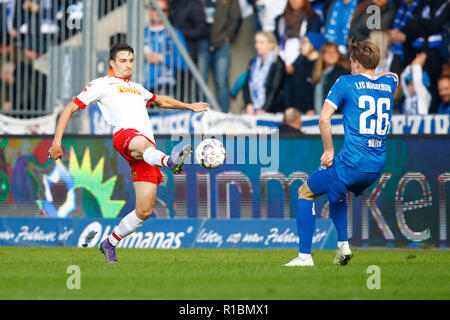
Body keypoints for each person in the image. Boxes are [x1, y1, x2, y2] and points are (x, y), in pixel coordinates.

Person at [47, 43, 208, 262]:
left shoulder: (137, 88)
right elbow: (69, 108)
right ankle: (170, 161)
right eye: (123, 61)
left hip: (145, 149)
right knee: (145, 145)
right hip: (125, 136)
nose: (128, 65)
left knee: (144, 211)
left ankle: (109, 243)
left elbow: (160, 100)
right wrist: (57, 142)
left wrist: (189, 106)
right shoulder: (102, 84)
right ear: (112, 63)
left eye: (131, 60)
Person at [284, 41, 399, 267]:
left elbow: (323, 119)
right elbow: (393, 74)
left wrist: (328, 150)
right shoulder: (389, 82)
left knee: (305, 192)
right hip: (376, 164)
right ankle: (343, 246)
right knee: (337, 192)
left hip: (352, 161)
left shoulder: (345, 82)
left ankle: (305, 257)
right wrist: (373, 70)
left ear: (355, 62)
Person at [274, 0, 321, 108]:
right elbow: (278, 40)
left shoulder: (312, 18)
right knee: (285, 96)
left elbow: (311, 41)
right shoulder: (281, 19)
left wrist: (295, 63)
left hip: (303, 62)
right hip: (284, 61)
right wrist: (284, 62)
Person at [198, 0, 241, 113]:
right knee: (201, 79)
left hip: (222, 42)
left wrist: (228, 36)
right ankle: (202, 112)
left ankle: (223, 113)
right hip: (202, 40)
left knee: (221, 81)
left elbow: (236, 17)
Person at [143, 0, 188, 96]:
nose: (159, 13)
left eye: (163, 10)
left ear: (167, 13)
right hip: (141, 87)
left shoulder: (174, 34)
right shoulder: (140, 33)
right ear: (149, 11)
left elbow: (185, 63)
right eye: (155, 9)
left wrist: (161, 58)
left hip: (165, 88)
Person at [243, 31, 285, 115]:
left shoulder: (277, 63)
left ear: (271, 44)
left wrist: (265, 108)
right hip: (253, 110)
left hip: (272, 111)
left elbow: (274, 88)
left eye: (261, 42)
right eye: (256, 42)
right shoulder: (253, 63)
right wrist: (249, 103)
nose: (257, 45)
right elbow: (246, 85)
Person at [291, 31, 325, 115]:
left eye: (304, 42)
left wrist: (311, 108)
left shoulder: (323, 66)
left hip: (315, 113)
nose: (301, 46)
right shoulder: (300, 65)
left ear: (314, 43)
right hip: (299, 112)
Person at [312, 41, 350, 114]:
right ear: (322, 55)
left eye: (334, 52)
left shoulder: (343, 72)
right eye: (328, 52)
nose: (331, 55)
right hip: (317, 116)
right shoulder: (317, 72)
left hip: (335, 117)